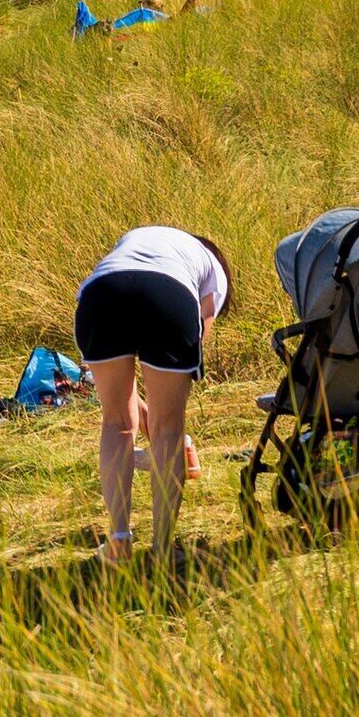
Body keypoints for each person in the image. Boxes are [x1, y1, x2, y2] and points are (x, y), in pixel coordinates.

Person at [74, 226, 230, 563]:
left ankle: (118, 543)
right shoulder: (213, 267)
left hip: (101, 293)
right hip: (168, 297)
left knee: (116, 423)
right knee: (169, 430)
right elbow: (201, 327)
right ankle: (161, 549)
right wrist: (166, 414)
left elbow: (129, 284)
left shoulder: (139, 239)